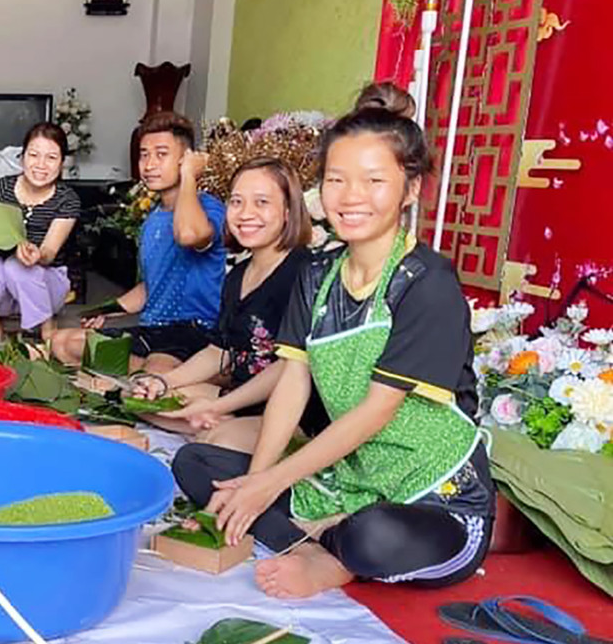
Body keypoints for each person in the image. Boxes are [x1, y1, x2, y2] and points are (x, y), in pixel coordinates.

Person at [172, 84, 494, 600]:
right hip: (346, 477)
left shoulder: (426, 283)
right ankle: (322, 535)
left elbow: (375, 413)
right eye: (336, 179)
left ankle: (333, 555)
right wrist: (256, 481)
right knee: (195, 465)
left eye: (373, 180)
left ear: (410, 189)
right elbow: (293, 382)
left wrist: (271, 485)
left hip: (428, 493)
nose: (350, 197)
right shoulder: (318, 273)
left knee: (376, 536)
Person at [135, 158, 317, 452]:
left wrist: (218, 406)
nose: (246, 214)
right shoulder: (238, 276)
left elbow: (290, 372)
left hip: (289, 410)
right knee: (142, 398)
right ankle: (220, 421)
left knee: (212, 444)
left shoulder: (304, 273)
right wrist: (163, 382)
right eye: (237, 202)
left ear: (287, 211)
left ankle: (222, 425)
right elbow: (220, 351)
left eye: (261, 202)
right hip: (241, 394)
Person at [50, 113, 226, 370]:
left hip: (193, 332)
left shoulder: (209, 208)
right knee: (62, 342)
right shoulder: (153, 219)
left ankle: (185, 377)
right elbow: (149, 286)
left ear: (186, 158)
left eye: (161, 154)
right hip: (152, 331)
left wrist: (190, 175)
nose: (150, 164)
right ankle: (156, 377)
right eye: (144, 154)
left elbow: (188, 235)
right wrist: (107, 310)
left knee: (151, 373)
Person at [0, 122, 81, 340]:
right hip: (2, 281)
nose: (41, 165)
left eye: (51, 157)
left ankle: (45, 328)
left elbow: (49, 253)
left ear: (62, 163)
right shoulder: (0, 189)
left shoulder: (67, 199)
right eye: (34, 155)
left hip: (46, 284)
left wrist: (37, 255)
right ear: (22, 158)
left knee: (16, 267)